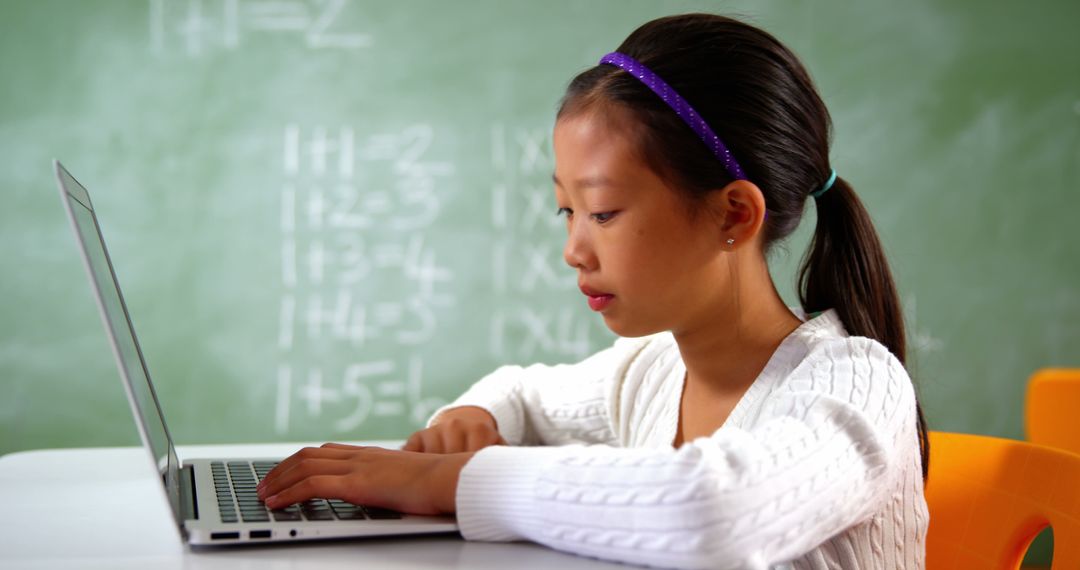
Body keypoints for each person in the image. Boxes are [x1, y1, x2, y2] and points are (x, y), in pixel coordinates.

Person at [257, 13, 930, 569]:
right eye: (566, 211)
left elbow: (715, 512)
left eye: (603, 213)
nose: (573, 249)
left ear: (733, 215)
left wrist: (449, 482)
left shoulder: (857, 385)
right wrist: (474, 418)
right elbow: (520, 393)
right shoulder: (655, 369)